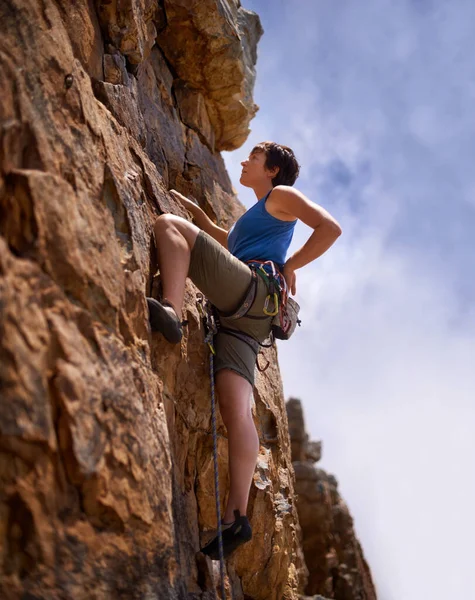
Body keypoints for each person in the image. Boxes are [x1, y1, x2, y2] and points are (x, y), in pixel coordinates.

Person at [146, 141, 342, 559]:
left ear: (272, 169)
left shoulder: (281, 196)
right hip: (250, 319)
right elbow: (228, 246)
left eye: (253, 156)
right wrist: (200, 217)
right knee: (237, 411)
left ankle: (170, 310)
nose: (244, 160)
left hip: (251, 292)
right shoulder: (257, 217)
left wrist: (292, 266)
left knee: (168, 226)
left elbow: (329, 228)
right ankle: (237, 514)